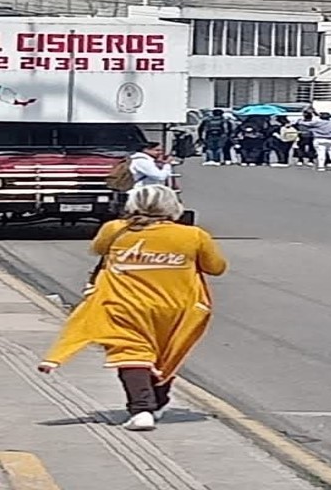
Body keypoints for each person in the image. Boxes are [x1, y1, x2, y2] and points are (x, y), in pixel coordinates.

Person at [37, 185, 227, 432]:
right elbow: (216, 267)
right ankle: (156, 402)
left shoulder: (115, 230)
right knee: (163, 354)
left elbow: (97, 249)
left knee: (131, 354)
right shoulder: (193, 235)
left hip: (123, 303)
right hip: (174, 306)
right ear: (173, 207)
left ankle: (141, 409)